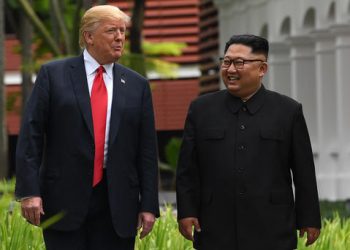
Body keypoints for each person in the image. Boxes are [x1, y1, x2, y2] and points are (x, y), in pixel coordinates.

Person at [15, 5, 159, 250]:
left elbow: (146, 150)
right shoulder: (53, 75)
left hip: (117, 205)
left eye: (123, 31)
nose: (120, 37)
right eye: (111, 30)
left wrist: (148, 205)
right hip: (63, 200)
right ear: (88, 36)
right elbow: (31, 136)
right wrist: (29, 191)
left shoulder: (137, 85)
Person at [176, 34, 321, 250]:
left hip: (272, 226)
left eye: (239, 63)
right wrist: (186, 211)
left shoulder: (288, 111)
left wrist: (309, 217)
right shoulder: (201, 109)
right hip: (216, 227)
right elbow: (187, 168)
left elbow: (303, 171)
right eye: (226, 62)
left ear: (262, 69)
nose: (231, 70)